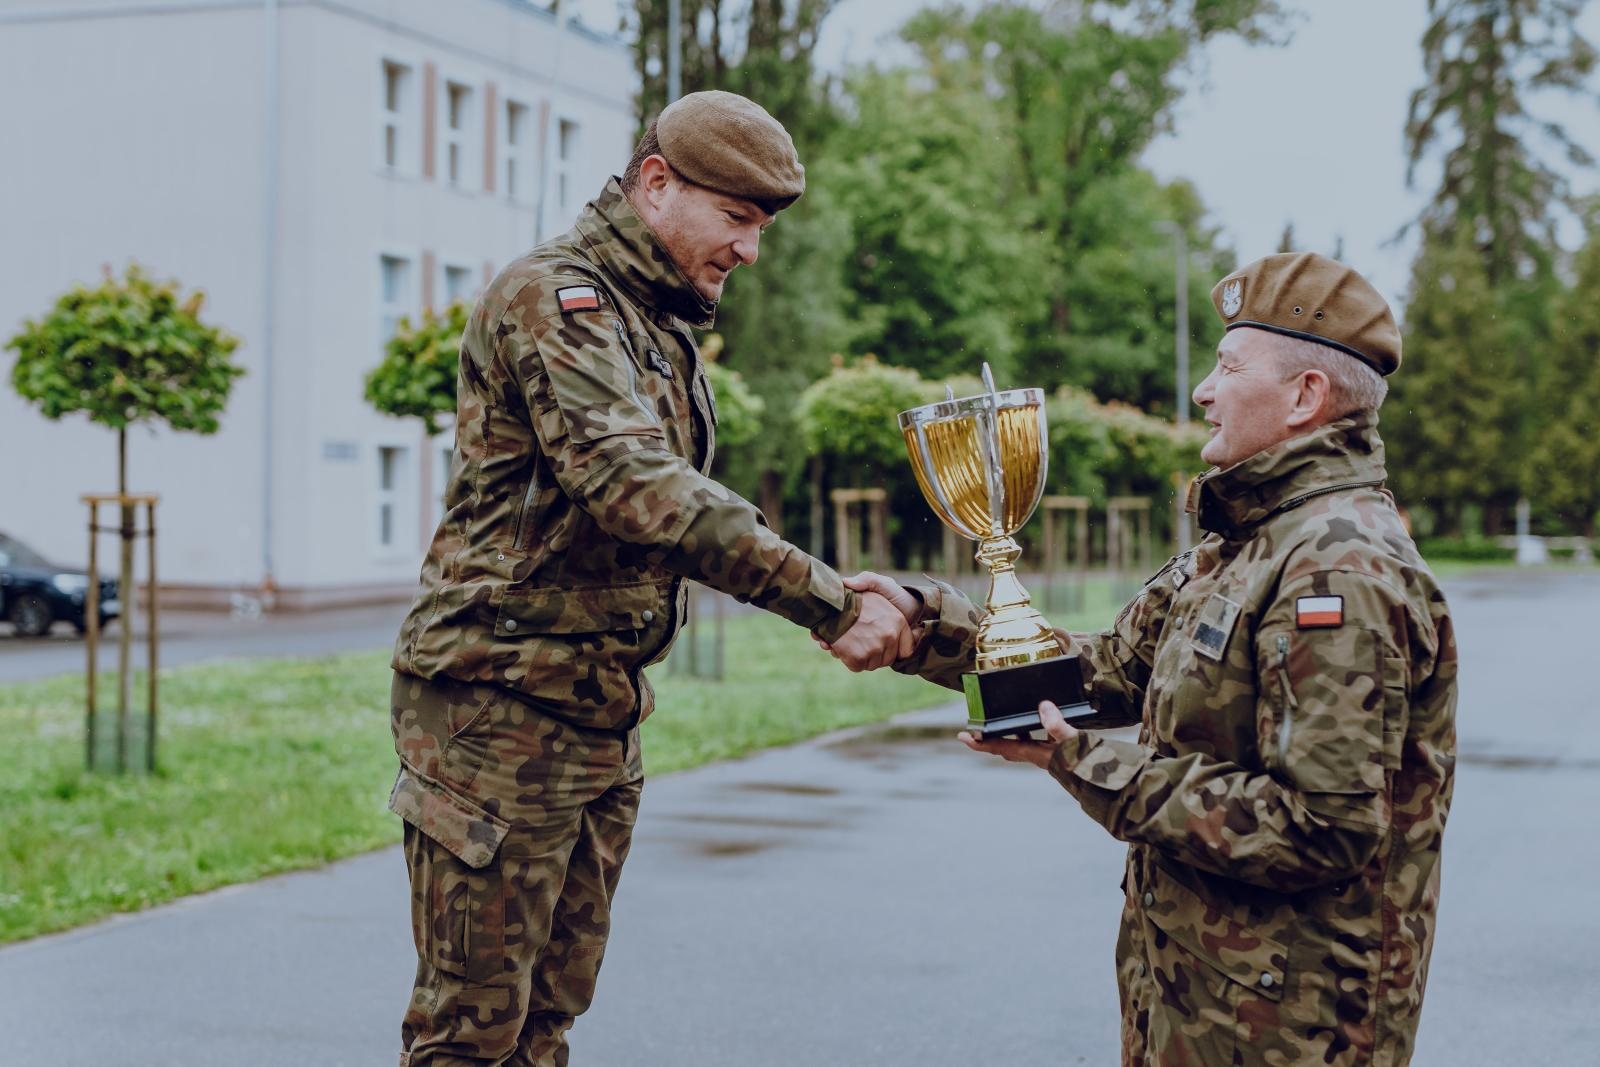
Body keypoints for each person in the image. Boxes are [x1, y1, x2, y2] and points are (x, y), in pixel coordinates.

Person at [387, 90, 911, 1066]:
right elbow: (635, 487)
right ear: (656, 184)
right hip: (495, 707)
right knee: (469, 1036)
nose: (749, 249)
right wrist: (830, 602)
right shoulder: (557, 296)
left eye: (759, 225)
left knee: (546, 1020)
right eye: (737, 218)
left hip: (591, 710)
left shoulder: (653, 320)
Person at [848, 252, 1458, 1066]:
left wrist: (1082, 761)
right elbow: (1111, 672)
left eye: (1228, 366)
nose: (1203, 390)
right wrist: (928, 627)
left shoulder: (1339, 566)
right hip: (1200, 1002)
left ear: (1305, 397)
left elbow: (1320, 825)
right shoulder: (1243, 540)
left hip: (1293, 1032)